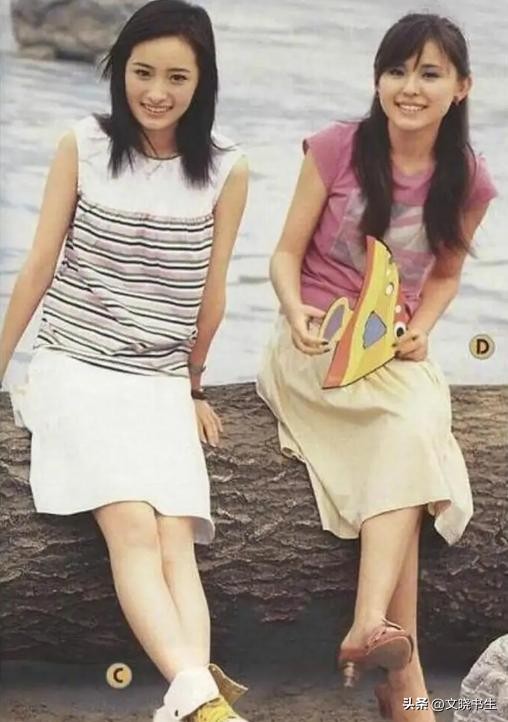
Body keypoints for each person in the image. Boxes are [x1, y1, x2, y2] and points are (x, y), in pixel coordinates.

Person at [0, 1, 249, 720]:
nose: (156, 92)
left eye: (177, 77)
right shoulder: (83, 144)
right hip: (75, 365)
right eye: (143, 72)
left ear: (202, 82)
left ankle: (195, 699)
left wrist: (193, 387)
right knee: (134, 524)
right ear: (120, 71)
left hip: (158, 380)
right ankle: (202, 697)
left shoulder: (225, 168)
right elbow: (39, 265)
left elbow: (212, 292)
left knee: (177, 533)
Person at [257, 12, 497, 722]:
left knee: (412, 426)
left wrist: (421, 330)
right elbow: (285, 254)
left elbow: (445, 275)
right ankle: (399, 671)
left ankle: (386, 651)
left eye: (430, 73)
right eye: (397, 70)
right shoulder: (336, 148)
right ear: (377, 79)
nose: (410, 87)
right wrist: (294, 312)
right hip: (316, 346)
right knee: (408, 437)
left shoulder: (468, 178)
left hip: (392, 352)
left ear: (461, 87)